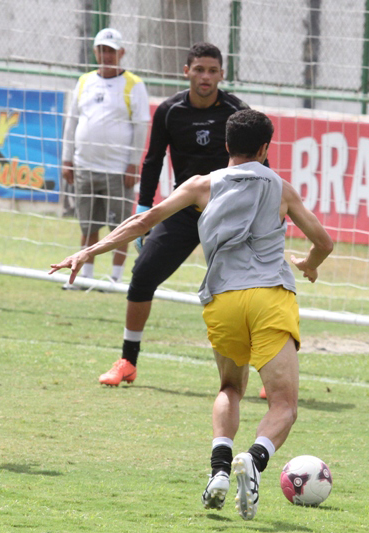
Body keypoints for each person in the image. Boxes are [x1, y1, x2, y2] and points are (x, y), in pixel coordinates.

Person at [50, 109, 333, 519]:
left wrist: (88, 251)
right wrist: (309, 264)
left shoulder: (201, 185)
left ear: (226, 145)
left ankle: (219, 471)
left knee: (229, 388)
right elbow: (324, 241)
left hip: (222, 300)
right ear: (265, 148)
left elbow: (144, 220)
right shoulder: (282, 189)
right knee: (284, 405)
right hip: (269, 297)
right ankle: (254, 460)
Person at [97, 42, 255, 386]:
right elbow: (153, 160)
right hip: (185, 210)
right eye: (199, 69)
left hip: (229, 213)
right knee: (143, 274)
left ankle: (267, 370)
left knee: (251, 289)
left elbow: (259, 163)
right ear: (186, 72)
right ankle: (127, 361)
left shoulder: (237, 112)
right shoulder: (169, 111)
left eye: (212, 71)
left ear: (222, 74)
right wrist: (144, 208)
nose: (205, 77)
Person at [61, 27, 150, 288]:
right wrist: (67, 159)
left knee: (120, 228)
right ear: (95, 51)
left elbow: (140, 127)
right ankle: (84, 276)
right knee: (88, 225)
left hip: (117, 170)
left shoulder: (133, 84)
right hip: (84, 166)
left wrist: (133, 163)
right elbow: (72, 121)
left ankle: (115, 279)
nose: (106, 55)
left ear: (121, 52)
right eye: (102, 50)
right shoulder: (84, 81)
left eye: (111, 50)